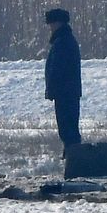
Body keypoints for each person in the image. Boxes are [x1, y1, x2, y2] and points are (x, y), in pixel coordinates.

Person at [44, 8, 82, 148]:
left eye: (52, 24)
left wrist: (53, 88)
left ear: (58, 23)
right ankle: (72, 156)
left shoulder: (62, 42)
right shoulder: (65, 40)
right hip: (67, 92)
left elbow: (58, 69)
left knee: (68, 130)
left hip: (65, 93)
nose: (51, 27)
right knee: (68, 128)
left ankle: (74, 159)